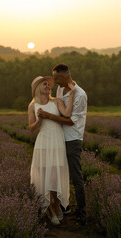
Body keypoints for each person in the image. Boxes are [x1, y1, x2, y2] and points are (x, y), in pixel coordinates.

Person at [37, 63, 88, 226]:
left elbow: (70, 121)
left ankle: (82, 212)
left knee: (75, 177)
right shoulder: (60, 89)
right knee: (57, 175)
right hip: (58, 139)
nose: (54, 81)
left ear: (65, 77)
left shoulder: (80, 94)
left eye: (56, 78)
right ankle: (62, 207)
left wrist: (48, 116)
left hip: (72, 139)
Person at [28, 75, 75, 225]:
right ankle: (49, 208)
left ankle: (55, 204)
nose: (48, 86)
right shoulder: (32, 106)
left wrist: (72, 94)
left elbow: (67, 114)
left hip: (57, 142)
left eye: (49, 85)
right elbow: (31, 129)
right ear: (37, 89)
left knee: (54, 176)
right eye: (45, 85)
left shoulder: (56, 101)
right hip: (43, 143)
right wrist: (40, 119)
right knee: (44, 177)